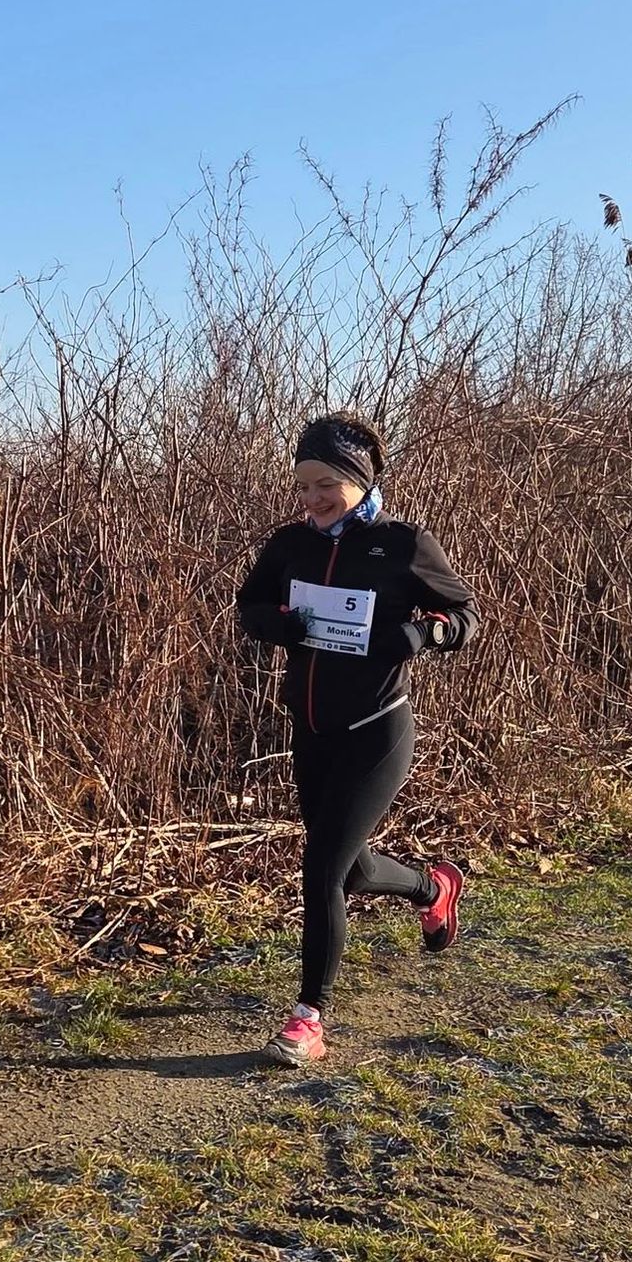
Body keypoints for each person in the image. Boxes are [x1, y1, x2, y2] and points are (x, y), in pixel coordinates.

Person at [235, 411, 479, 1067]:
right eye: (303, 485)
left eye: (327, 485)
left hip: (377, 731)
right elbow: (249, 607)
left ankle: (308, 1018)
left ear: (360, 479)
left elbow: (465, 614)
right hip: (311, 730)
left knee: (322, 868)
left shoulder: (402, 544)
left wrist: (423, 633)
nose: (313, 499)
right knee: (348, 866)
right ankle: (432, 888)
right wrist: (277, 624)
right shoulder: (291, 544)